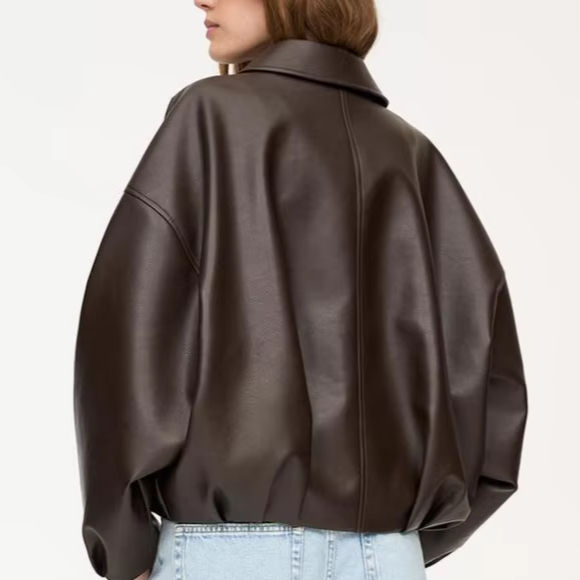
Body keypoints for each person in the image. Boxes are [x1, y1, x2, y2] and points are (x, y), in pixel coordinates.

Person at [73, 0, 529, 579]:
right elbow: (490, 382)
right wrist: (407, 542)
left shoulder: (211, 116)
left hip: (233, 556)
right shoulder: (414, 155)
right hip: (388, 558)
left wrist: (124, 546)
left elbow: (127, 336)